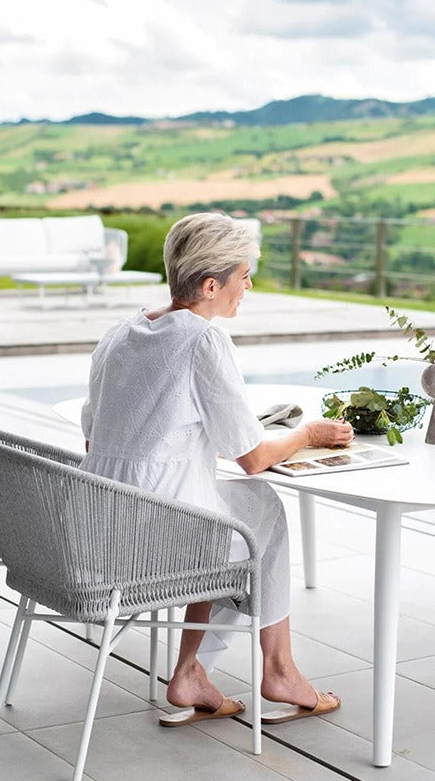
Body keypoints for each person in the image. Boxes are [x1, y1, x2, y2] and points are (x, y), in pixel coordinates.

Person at [80, 212, 352, 725]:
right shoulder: (204, 341)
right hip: (158, 542)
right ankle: (278, 671)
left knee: (239, 514)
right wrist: (308, 435)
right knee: (261, 516)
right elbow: (252, 458)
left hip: (99, 527)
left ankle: (193, 673)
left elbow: (96, 435)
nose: (247, 287)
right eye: (243, 276)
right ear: (210, 285)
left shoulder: (121, 332)